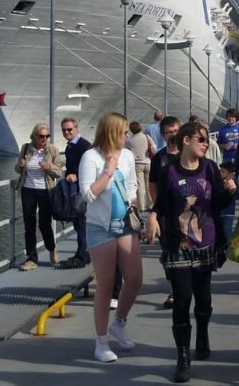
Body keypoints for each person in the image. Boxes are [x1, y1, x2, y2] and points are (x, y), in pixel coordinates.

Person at [146, 122, 236, 383]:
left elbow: (217, 202)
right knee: (183, 299)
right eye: (201, 138)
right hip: (179, 246)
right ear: (186, 140)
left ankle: (203, 335)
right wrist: (153, 216)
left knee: (204, 300)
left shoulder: (209, 168)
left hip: (206, 243)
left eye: (207, 139)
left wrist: (231, 193)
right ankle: (183, 356)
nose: (205, 143)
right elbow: (162, 202)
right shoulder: (170, 171)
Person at [78, 112, 142, 363]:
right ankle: (101, 341)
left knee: (135, 279)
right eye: (124, 131)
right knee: (105, 285)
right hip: (100, 227)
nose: (127, 135)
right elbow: (87, 195)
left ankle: (120, 322)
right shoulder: (90, 157)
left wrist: (136, 210)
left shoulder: (127, 155)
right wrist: (108, 170)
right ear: (112, 131)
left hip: (125, 223)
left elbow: (132, 188)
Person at [14, 123, 62, 271]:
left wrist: (49, 168)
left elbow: (59, 172)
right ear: (34, 136)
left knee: (44, 224)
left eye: (47, 136)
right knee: (29, 225)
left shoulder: (52, 150)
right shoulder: (25, 148)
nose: (44, 139)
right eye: (41, 136)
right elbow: (17, 169)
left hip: (45, 191)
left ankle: (52, 248)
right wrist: (20, 166)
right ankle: (32, 259)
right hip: (27, 190)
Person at [148, 115, 181, 309]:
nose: (173, 135)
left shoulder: (188, 153)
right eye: (169, 132)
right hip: (166, 214)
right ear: (162, 135)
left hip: (189, 214)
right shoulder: (159, 158)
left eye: (176, 131)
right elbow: (153, 184)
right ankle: (173, 290)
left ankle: (187, 285)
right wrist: (157, 207)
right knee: (169, 252)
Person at [60, 117, 92, 269]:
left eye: (69, 129)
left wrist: (76, 176)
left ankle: (81, 257)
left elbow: (90, 167)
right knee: (78, 223)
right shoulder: (70, 146)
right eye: (64, 130)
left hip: (82, 190)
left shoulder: (83, 145)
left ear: (76, 129)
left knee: (81, 223)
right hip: (75, 189)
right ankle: (83, 255)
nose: (66, 132)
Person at [126, 120, 156, 210]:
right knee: (148, 185)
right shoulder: (146, 137)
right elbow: (154, 146)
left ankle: (142, 206)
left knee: (140, 185)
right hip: (147, 162)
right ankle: (150, 205)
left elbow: (127, 151)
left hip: (137, 164)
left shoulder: (129, 140)